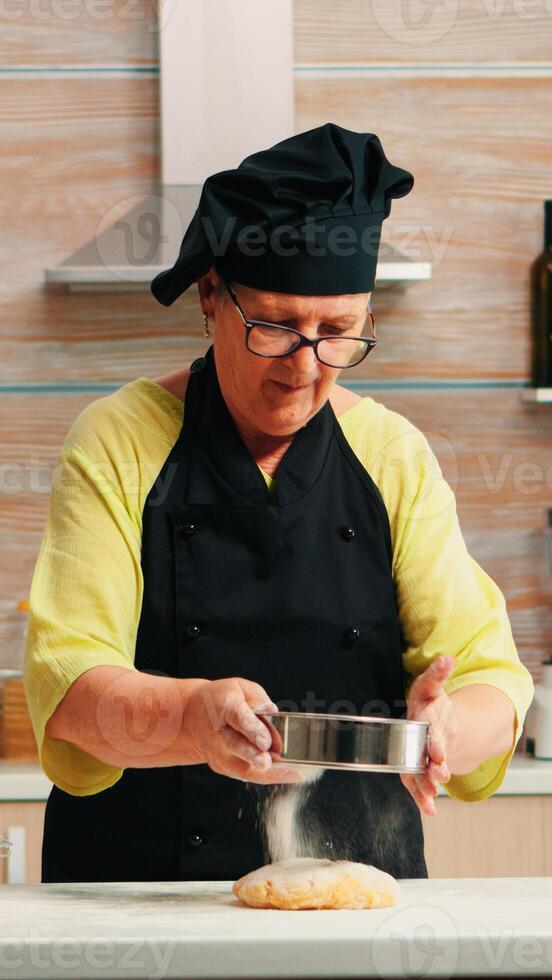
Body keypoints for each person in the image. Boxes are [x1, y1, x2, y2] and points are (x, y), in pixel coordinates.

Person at [24, 123, 534, 883]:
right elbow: (68, 685)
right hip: (140, 904)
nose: (306, 366)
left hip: (355, 909)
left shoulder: (394, 456)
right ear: (210, 297)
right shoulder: (119, 441)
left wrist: (451, 725)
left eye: (338, 333)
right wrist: (193, 720)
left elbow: (494, 678)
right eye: (275, 326)